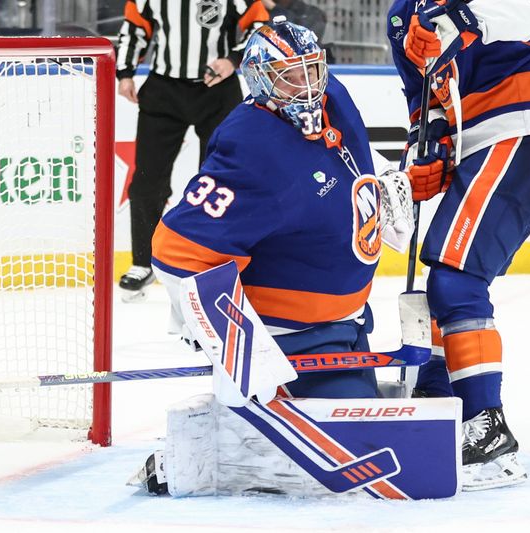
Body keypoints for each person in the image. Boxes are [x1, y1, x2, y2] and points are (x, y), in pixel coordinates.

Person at [127, 19, 462, 499]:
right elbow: (178, 251)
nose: (306, 84)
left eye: (312, 69)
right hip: (290, 342)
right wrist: (234, 345)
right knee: (351, 463)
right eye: (289, 75)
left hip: (348, 325)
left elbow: (336, 169)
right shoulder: (251, 144)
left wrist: (384, 187)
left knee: (376, 423)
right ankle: (207, 449)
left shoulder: (334, 96)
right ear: (261, 80)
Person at [387, 0, 530, 490]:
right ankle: (442, 401)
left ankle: (487, 428)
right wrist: (427, 147)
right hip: (491, 137)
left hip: (525, 123)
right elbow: (425, 101)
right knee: (445, 274)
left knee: (456, 278)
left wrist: (460, 19)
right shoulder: (400, 16)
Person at [115, 0, 270, 300]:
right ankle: (142, 262)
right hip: (163, 91)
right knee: (147, 181)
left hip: (218, 91)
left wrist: (232, 59)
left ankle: (214, 261)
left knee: (221, 183)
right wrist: (124, 73)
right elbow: (133, 30)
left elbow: (260, 30)